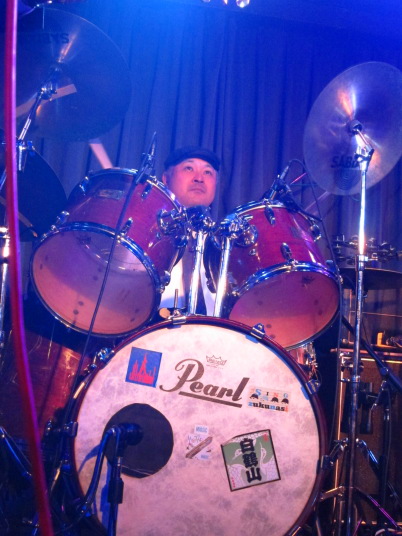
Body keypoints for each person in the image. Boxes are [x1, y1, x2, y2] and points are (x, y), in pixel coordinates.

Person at [159, 146, 220, 317]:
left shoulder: (226, 243)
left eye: (208, 172)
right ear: (166, 179)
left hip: (214, 331)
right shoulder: (146, 234)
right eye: (189, 168)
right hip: (149, 329)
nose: (199, 178)